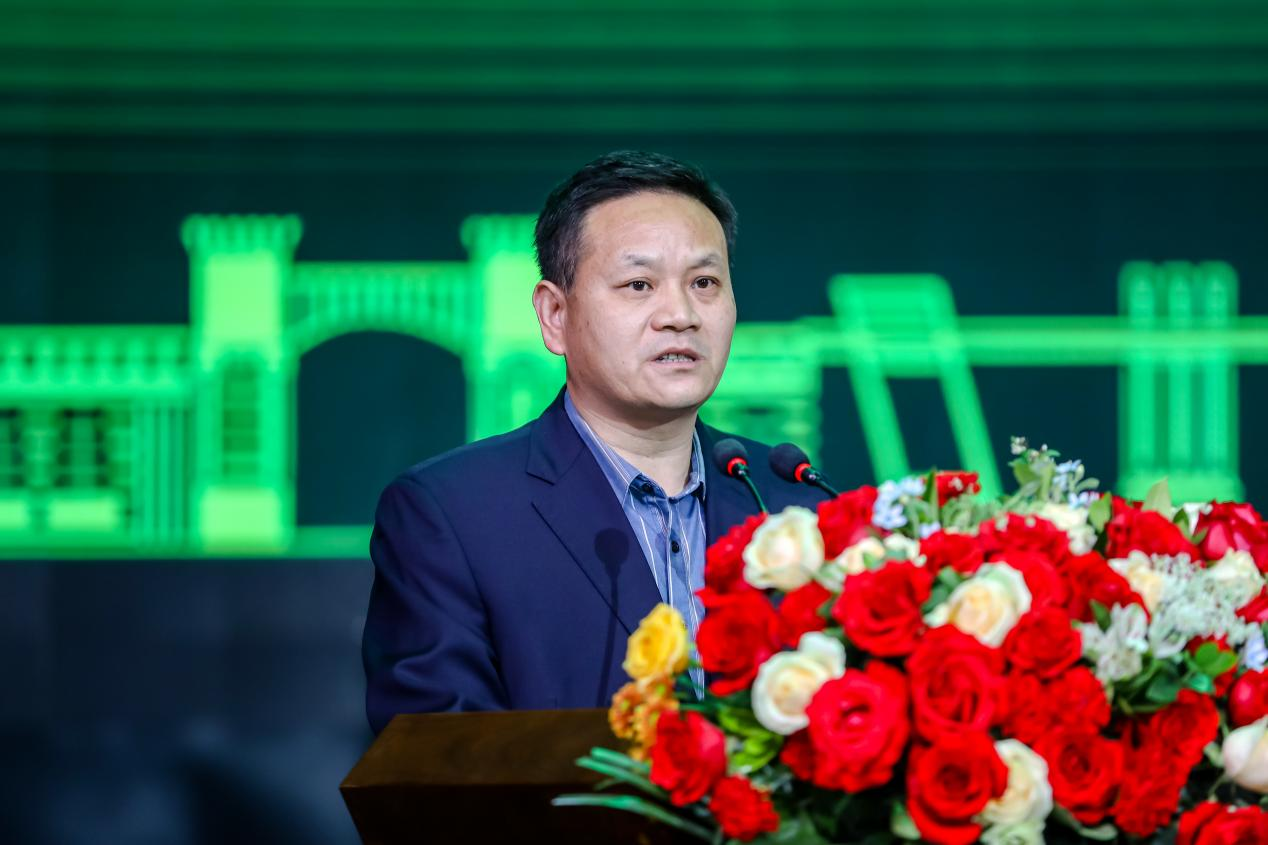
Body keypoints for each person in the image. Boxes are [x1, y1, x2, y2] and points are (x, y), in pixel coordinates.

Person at [362, 150, 826, 734]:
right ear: (554, 315)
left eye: (705, 283)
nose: (680, 315)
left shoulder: (793, 505)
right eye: (639, 284)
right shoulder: (452, 515)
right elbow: (439, 762)